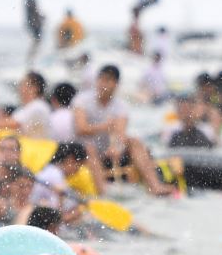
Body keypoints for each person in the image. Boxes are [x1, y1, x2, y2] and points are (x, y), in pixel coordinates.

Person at [74, 65, 173, 195]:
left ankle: (155, 186)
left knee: (134, 141)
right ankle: (103, 193)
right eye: (101, 79)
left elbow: (120, 133)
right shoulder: (82, 100)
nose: (102, 84)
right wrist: (104, 126)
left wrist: (116, 147)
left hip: (106, 151)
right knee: (90, 148)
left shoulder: (121, 106)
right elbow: (81, 129)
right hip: (83, 150)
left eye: (107, 80)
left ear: (116, 84)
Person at [13, 72, 53, 139]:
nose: (19, 87)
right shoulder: (24, 108)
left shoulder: (39, 106)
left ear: (35, 88)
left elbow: (14, 124)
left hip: (37, 148)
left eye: (23, 84)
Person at [23, 0, 46, 64]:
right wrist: (40, 17)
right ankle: (30, 61)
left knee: (36, 41)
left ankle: (31, 60)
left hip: (33, 21)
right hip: (33, 22)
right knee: (37, 41)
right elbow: (33, 9)